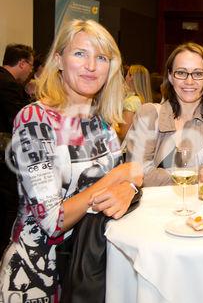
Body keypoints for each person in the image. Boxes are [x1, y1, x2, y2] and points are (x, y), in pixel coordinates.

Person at [0, 19, 143, 302]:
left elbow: (130, 178)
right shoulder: (34, 120)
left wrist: (131, 186)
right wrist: (117, 177)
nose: (91, 65)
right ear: (59, 60)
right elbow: (53, 219)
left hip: (89, 267)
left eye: (101, 57)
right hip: (39, 275)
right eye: (80, 53)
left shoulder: (101, 124)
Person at [125, 42, 203, 187]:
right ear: (170, 76)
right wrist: (197, 175)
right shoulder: (149, 115)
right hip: (155, 207)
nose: (189, 81)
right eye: (181, 73)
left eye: (198, 73)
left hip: (199, 207)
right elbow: (138, 174)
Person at [0, 44, 35, 255]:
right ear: (22, 63)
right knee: (8, 207)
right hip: (5, 161)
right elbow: (20, 119)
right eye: (30, 65)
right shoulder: (9, 86)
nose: (31, 71)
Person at [116, 64, 153, 140]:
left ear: (131, 78)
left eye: (127, 74)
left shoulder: (131, 102)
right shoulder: (144, 100)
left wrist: (112, 125)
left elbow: (123, 134)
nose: (125, 77)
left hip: (127, 150)